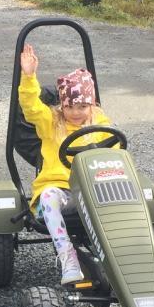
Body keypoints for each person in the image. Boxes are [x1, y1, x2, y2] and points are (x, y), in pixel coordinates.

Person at [18, 43, 112, 285]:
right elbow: (30, 107)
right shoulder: (51, 122)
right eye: (69, 106)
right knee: (49, 197)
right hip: (61, 191)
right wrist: (28, 76)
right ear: (62, 105)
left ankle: (123, 253)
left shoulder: (100, 121)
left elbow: (114, 150)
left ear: (92, 104)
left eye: (82, 106)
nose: (76, 112)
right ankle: (67, 256)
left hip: (95, 188)